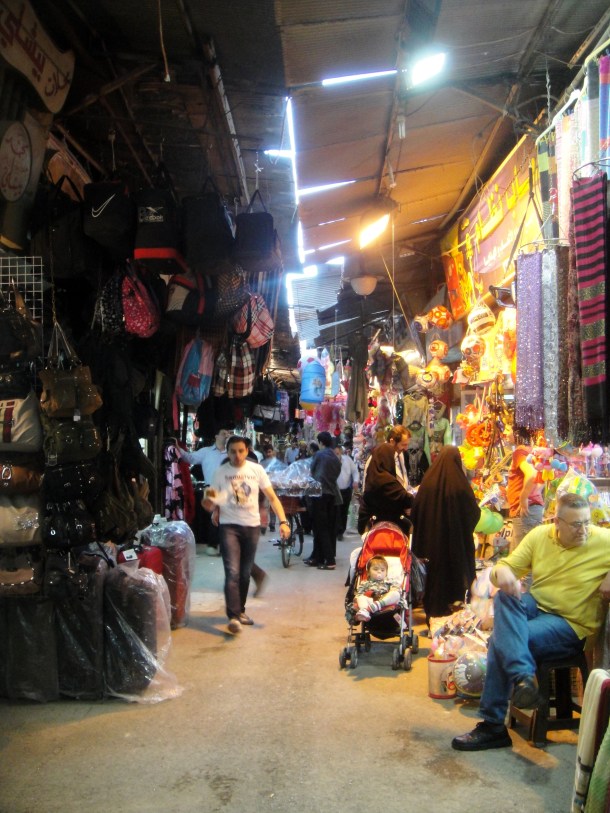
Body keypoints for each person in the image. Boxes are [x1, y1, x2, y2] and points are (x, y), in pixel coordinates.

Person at [452, 493, 610, 752]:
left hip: (571, 622)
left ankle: (494, 725)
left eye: (585, 523)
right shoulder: (540, 536)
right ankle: (523, 675)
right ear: (557, 522)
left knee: (501, 641)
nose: (583, 530)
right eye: (575, 524)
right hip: (538, 606)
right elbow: (503, 567)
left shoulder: (603, 540)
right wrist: (503, 574)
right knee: (505, 596)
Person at [202, 435, 290, 634]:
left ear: (247, 450)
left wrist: (283, 522)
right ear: (227, 451)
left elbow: (272, 498)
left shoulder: (256, 470)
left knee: (244, 573)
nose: (237, 455)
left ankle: (240, 611)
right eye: (232, 451)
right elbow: (209, 500)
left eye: (241, 451)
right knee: (232, 572)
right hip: (228, 527)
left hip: (251, 527)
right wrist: (211, 504)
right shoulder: (220, 473)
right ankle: (233, 617)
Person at [411, 446, 480, 624]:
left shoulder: (427, 482)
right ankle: (454, 620)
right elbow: (473, 513)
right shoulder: (460, 486)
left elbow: (415, 511)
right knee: (454, 577)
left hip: (430, 545)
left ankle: (432, 615)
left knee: (433, 579)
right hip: (455, 546)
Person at [178, 428, 231, 555]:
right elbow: (189, 458)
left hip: (227, 488)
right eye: (224, 433)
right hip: (210, 488)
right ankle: (213, 545)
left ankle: (224, 545)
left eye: (228, 434)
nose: (226, 436)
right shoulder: (206, 452)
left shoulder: (230, 453)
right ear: (216, 436)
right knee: (214, 515)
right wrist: (177, 447)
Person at [357, 425, 413, 534]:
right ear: (392, 441)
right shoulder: (379, 459)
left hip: (394, 515)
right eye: (403, 445)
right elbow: (372, 489)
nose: (406, 448)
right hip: (379, 520)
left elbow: (402, 484)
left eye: (407, 445)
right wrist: (407, 501)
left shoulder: (401, 456)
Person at [305, 431, 342, 570]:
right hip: (331, 495)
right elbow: (336, 474)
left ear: (320, 443)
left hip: (319, 494)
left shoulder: (319, 455)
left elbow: (312, 472)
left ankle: (330, 560)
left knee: (320, 527)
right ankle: (317, 556)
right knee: (326, 526)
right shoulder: (335, 457)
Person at [507, 442, 544, 551]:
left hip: (526, 510)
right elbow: (542, 479)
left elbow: (532, 474)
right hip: (532, 508)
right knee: (518, 556)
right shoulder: (536, 453)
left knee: (522, 558)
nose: (505, 433)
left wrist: (523, 498)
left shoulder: (520, 452)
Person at [354, 555, 401, 622]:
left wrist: (391, 591)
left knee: (396, 593)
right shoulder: (365, 583)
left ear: (386, 573)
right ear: (368, 572)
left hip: (386, 603)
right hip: (370, 602)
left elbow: (396, 589)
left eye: (382, 570)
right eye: (375, 569)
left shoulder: (389, 582)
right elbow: (359, 594)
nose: (379, 572)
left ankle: (376, 605)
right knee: (360, 598)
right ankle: (364, 611)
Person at [335, 444, 360, 540]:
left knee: (344, 511)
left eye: (337, 453)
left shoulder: (348, 460)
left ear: (341, 452)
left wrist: (355, 481)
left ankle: (341, 531)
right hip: (335, 490)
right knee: (336, 510)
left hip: (346, 489)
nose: (336, 455)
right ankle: (336, 530)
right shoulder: (331, 461)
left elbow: (355, 471)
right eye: (334, 453)